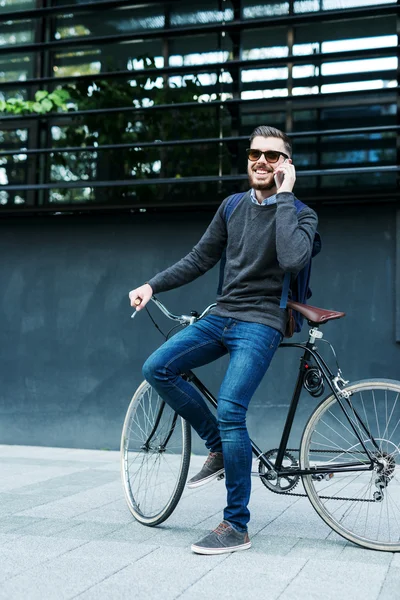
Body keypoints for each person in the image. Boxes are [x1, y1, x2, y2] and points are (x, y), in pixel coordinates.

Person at [129, 125, 318, 555]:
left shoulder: (302, 214)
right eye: (255, 154)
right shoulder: (232, 206)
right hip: (222, 317)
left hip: (262, 322)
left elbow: (291, 257)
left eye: (273, 156)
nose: (262, 162)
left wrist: (285, 196)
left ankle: (236, 526)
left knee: (232, 408)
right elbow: (200, 257)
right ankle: (217, 446)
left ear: (287, 164)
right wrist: (152, 285)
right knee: (157, 367)